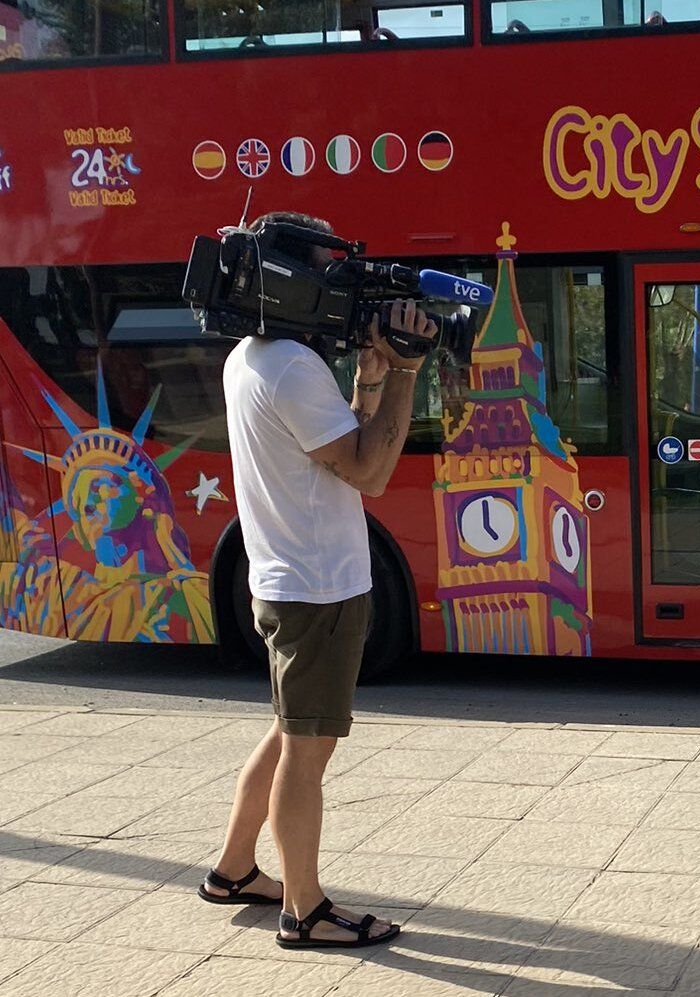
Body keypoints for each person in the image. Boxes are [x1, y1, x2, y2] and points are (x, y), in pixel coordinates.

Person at [197, 211, 435, 948]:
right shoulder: (294, 368)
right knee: (307, 752)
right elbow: (370, 471)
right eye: (330, 278)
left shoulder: (251, 357)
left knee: (286, 730)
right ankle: (305, 911)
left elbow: (338, 448)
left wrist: (367, 380)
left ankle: (234, 869)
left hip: (283, 577)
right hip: (318, 589)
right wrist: (407, 371)